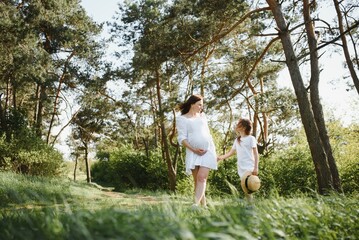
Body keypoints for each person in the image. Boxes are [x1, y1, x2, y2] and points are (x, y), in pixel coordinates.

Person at [176, 94, 217, 208]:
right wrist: (194, 150)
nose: (201, 107)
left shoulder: (202, 116)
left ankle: (195, 205)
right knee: (197, 181)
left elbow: (208, 135)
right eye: (199, 105)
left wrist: (214, 152)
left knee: (202, 178)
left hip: (207, 151)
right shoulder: (182, 119)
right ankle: (203, 206)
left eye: (202, 105)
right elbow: (182, 138)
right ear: (192, 104)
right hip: (193, 152)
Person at [217, 118, 259, 201]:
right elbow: (231, 153)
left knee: (247, 186)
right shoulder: (237, 140)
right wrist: (220, 157)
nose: (236, 126)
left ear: (243, 127)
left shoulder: (251, 139)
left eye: (238, 124)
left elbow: (256, 154)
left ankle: (251, 207)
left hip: (249, 166)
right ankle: (250, 205)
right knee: (245, 189)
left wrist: (256, 167)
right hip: (241, 167)